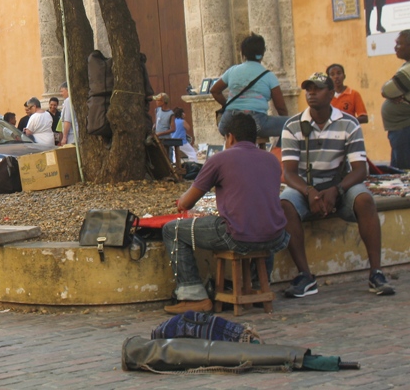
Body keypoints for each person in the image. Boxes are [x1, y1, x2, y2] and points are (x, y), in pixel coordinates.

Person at [280, 72, 395, 298]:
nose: (311, 93)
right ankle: (306, 276)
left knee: (364, 199)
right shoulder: (293, 125)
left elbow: (360, 169)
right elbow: (289, 173)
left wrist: (337, 190)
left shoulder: (348, 123)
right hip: (305, 188)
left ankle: (376, 273)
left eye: (318, 88)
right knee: (285, 203)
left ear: (332, 93)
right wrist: (309, 191)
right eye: (308, 88)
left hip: (339, 186)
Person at [162, 113, 289, 313]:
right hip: (275, 237)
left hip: (236, 235)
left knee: (172, 230)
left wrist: (182, 201)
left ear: (230, 137)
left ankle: (192, 295)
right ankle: (256, 286)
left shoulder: (220, 159)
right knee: (260, 223)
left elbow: (186, 202)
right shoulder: (271, 160)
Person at [211, 32, 289, 139]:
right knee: (292, 125)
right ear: (262, 53)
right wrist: (286, 119)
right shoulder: (269, 76)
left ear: (243, 54)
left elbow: (214, 90)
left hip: (229, 122)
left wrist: (227, 104)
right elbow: (280, 107)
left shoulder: (232, 70)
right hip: (257, 124)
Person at [381, 29, 410, 169]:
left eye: (399, 44)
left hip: (405, 129)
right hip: (401, 129)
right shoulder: (406, 66)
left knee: (404, 171)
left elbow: (387, 90)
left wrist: (395, 93)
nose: (395, 47)